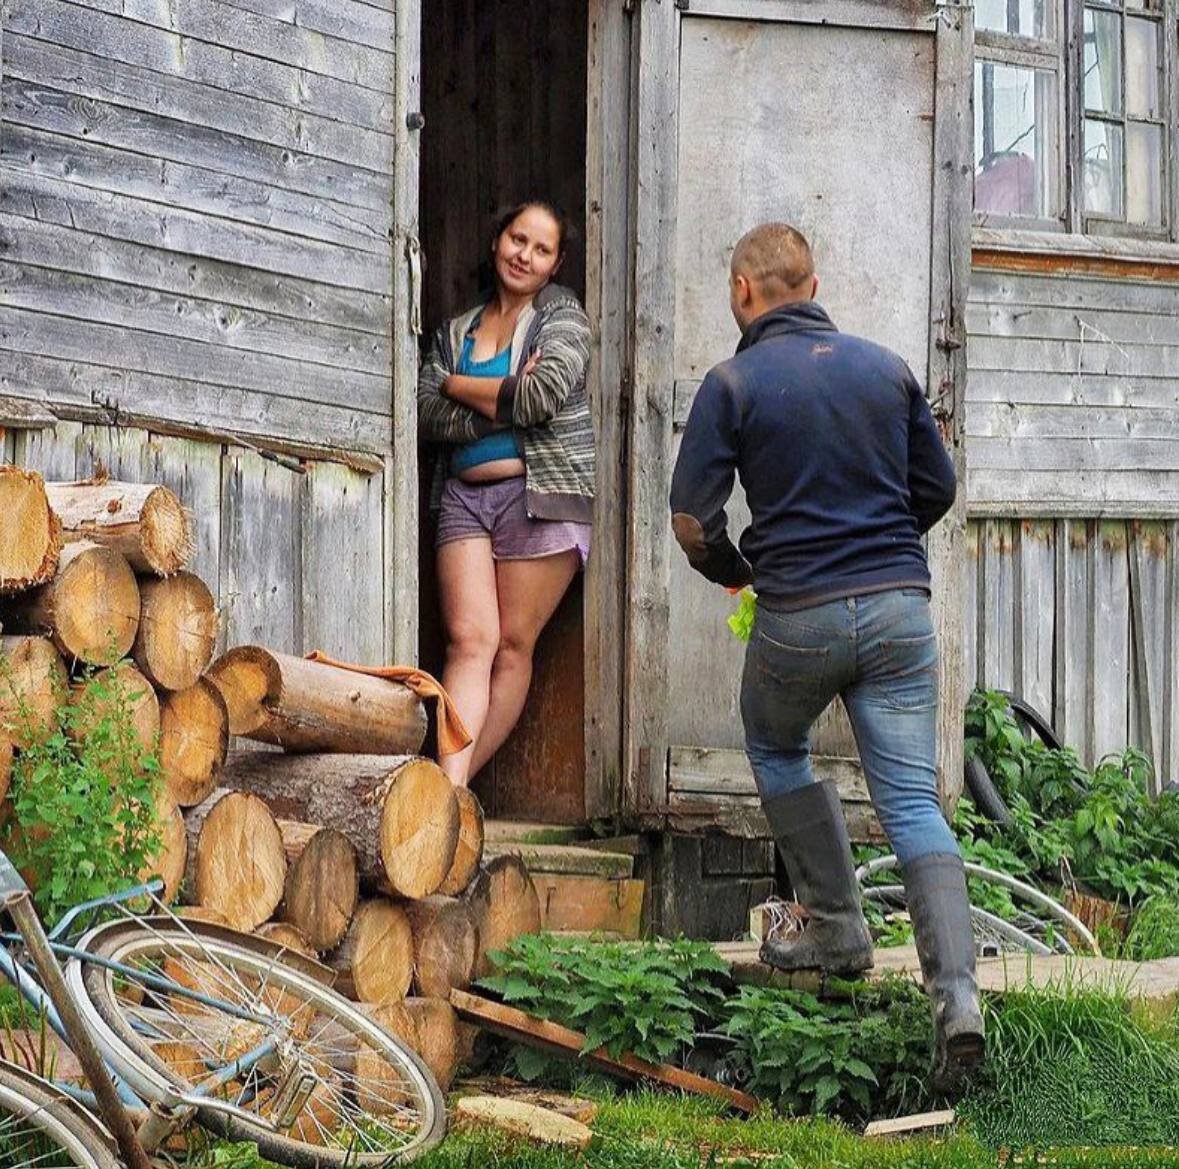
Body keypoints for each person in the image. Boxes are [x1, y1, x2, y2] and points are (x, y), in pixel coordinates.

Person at [668, 222, 981, 1096]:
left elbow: (692, 520)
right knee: (913, 799)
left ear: (743, 291)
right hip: (898, 613)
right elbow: (940, 487)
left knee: (774, 747)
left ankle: (839, 929)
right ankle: (956, 1000)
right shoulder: (884, 367)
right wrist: (879, 556)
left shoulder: (731, 383)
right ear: (812, 282)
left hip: (796, 614)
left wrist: (742, 574)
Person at [417, 200, 594, 788]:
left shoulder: (562, 315)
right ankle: (446, 798)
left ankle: (445, 795)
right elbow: (424, 411)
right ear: (498, 242)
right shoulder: (454, 329)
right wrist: (503, 401)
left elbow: (542, 396)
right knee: (470, 642)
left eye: (542, 249)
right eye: (519, 239)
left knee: (513, 648)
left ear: (555, 264)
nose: (526, 255)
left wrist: (456, 384)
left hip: (537, 498)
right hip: (464, 498)